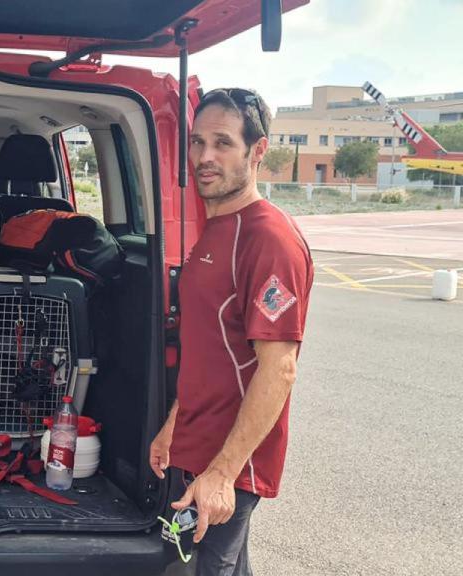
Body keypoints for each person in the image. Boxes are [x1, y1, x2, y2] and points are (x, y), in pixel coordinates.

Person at [149, 88, 314, 575]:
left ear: (257, 150)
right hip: (197, 445)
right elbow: (209, 349)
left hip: (228, 462)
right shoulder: (218, 226)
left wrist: (224, 472)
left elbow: (279, 368)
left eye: (222, 143)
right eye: (198, 143)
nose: (204, 157)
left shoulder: (268, 239)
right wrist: (175, 423)